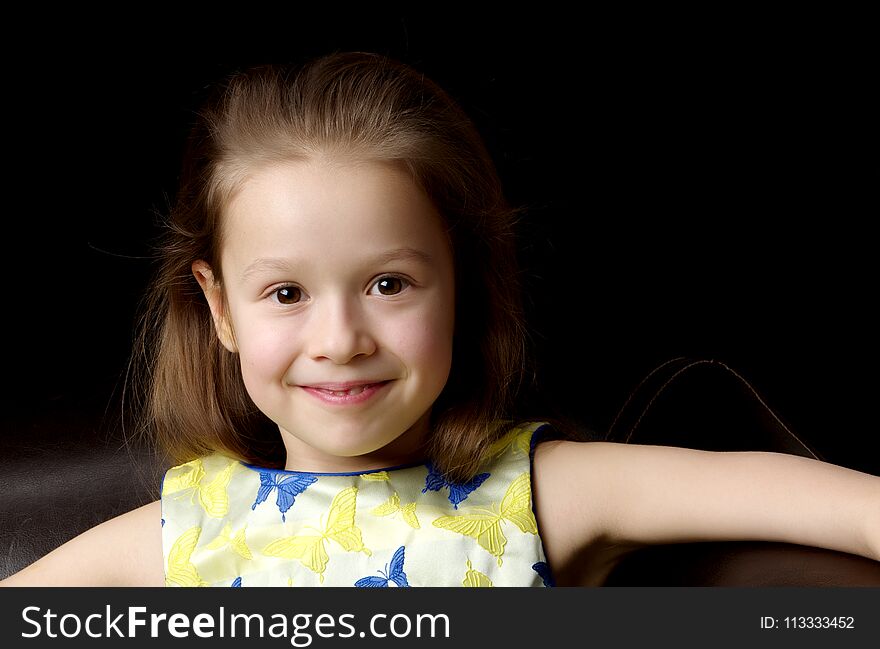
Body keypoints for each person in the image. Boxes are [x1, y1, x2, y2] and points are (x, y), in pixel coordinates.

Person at [2, 52, 877, 587]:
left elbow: (835, 504)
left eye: (389, 284)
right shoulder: (179, 536)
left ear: (461, 286)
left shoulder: (542, 493)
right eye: (286, 293)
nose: (340, 338)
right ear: (221, 308)